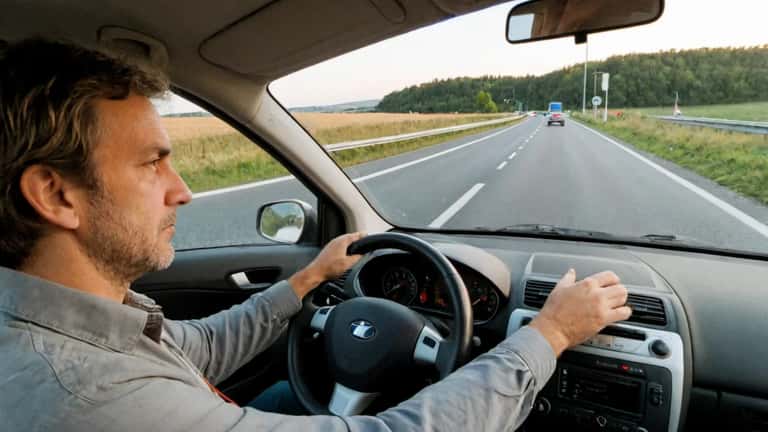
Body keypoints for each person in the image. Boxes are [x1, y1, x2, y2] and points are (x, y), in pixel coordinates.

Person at [0, 39, 632, 431]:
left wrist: (307, 278)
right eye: (151, 163)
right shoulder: (87, 396)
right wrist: (548, 335)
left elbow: (194, 351)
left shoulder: (73, 326)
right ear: (57, 195)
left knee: (280, 391)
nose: (182, 188)